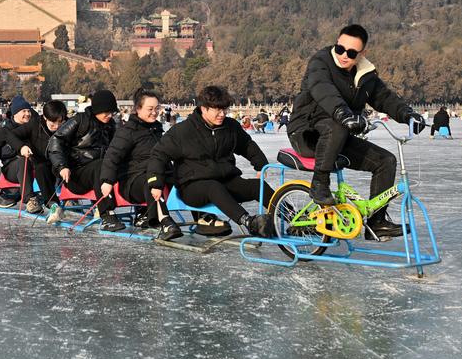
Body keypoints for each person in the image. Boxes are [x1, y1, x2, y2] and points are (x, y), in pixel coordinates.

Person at [287, 24, 426, 240]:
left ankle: (377, 222)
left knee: (385, 161)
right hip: (306, 133)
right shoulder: (320, 62)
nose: (343, 56)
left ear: (362, 54)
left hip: (339, 135)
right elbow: (324, 90)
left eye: (351, 53)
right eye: (340, 48)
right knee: (337, 125)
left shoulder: (365, 74)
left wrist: (408, 115)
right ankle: (319, 183)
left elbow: (384, 98)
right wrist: (343, 113)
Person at [146, 85, 273, 237]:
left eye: (224, 109)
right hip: (193, 186)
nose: (222, 114)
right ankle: (249, 222)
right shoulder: (182, 131)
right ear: (204, 108)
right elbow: (159, 154)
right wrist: (155, 183)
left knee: (257, 186)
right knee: (213, 187)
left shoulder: (230, 127)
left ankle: (294, 218)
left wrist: (261, 165)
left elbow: (247, 145)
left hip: (226, 180)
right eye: (217, 110)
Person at [99, 88, 182, 241]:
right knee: (150, 181)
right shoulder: (127, 131)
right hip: (134, 181)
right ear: (138, 109)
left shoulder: (157, 129)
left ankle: (204, 218)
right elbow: (112, 156)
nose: (155, 112)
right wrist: (107, 180)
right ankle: (165, 221)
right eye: (150, 109)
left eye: (157, 108)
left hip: (158, 174)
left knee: (188, 176)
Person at [47, 89, 123, 232]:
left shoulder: (111, 125)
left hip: (100, 175)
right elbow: (56, 141)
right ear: (97, 109)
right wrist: (61, 166)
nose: (110, 115)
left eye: (112, 112)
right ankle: (107, 215)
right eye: (106, 112)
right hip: (76, 175)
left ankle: (144, 214)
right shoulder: (79, 120)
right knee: (100, 166)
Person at [6, 100, 69, 224]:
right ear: (45, 117)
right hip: (43, 163)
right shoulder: (34, 124)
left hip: (63, 162)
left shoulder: (69, 124)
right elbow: (10, 136)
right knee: (41, 168)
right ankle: (53, 204)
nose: (56, 126)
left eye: (60, 122)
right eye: (53, 123)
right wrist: (21, 147)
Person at [0, 96, 41, 211]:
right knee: (22, 161)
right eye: (23, 111)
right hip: (12, 168)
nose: (27, 114)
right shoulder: (4, 131)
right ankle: (30, 200)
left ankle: (63, 198)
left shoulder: (33, 128)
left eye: (29, 111)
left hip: (34, 165)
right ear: (15, 113)